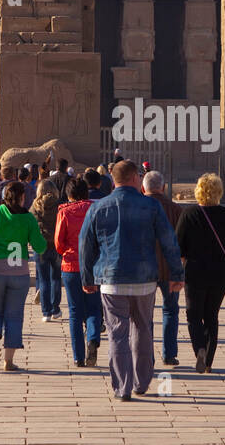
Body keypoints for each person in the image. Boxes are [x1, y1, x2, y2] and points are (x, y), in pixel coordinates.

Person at [79, 160, 184, 401]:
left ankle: (122, 387)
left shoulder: (99, 207)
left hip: (111, 279)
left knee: (117, 333)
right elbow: (169, 242)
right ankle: (141, 382)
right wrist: (176, 274)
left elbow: (85, 245)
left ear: (114, 180)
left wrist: (87, 277)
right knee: (143, 329)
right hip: (144, 279)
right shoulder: (150, 206)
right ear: (135, 178)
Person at [0, 181, 46, 371]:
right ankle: (8, 361)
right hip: (19, 273)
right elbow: (40, 246)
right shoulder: (28, 219)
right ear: (22, 197)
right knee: (14, 316)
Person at [175, 172, 225, 374]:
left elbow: (178, 246)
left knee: (193, 315)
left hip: (195, 270)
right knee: (212, 315)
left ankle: (200, 349)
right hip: (220, 272)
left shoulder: (189, 213)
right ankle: (209, 361)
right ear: (219, 191)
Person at [55, 177, 103, 367]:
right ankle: (92, 338)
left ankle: (78, 357)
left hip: (71, 266)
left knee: (75, 311)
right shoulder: (97, 209)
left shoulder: (64, 212)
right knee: (93, 308)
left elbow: (59, 244)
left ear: (69, 194)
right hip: (94, 266)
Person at [142, 170, 184, 365]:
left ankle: (146, 354)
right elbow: (182, 242)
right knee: (170, 310)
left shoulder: (139, 207)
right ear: (164, 187)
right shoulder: (175, 209)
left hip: (144, 270)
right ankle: (169, 354)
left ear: (143, 188)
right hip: (170, 269)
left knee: (144, 314)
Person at [30, 177, 64, 323]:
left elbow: (32, 227)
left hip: (41, 246)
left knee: (44, 280)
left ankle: (46, 312)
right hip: (56, 245)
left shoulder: (35, 206)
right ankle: (56, 308)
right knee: (56, 277)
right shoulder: (60, 205)